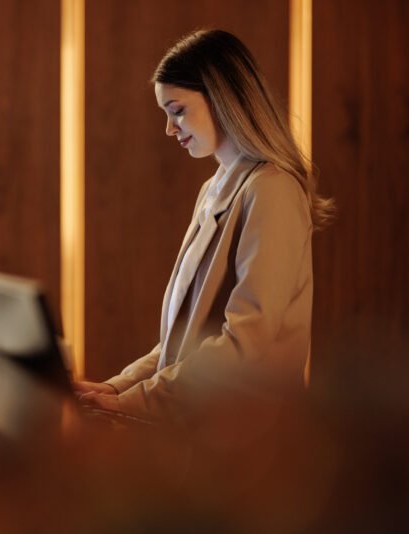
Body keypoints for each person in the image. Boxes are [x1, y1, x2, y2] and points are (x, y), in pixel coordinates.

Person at [75, 29, 334, 424]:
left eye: (177, 111)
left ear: (224, 98)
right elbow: (182, 344)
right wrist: (118, 387)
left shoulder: (272, 190)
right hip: (207, 434)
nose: (169, 128)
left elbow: (244, 341)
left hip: (253, 442)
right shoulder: (214, 188)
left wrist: (137, 400)